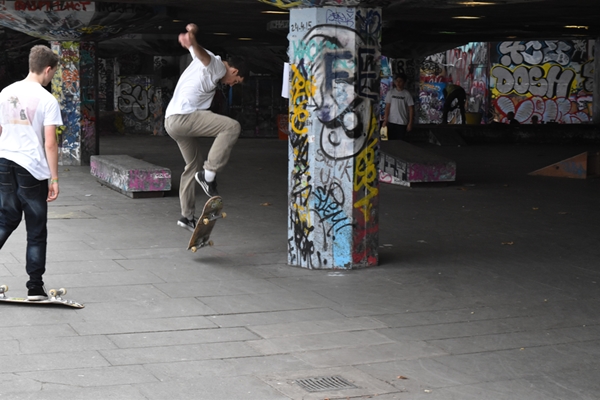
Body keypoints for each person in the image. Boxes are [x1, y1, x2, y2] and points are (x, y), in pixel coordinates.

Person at [164, 23, 248, 232]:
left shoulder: (207, 60)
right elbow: (202, 55)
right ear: (234, 70)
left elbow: (196, 50)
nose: (231, 84)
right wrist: (193, 39)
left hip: (171, 122)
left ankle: (187, 216)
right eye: (235, 81)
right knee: (231, 127)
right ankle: (208, 175)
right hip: (185, 118)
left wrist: (191, 32)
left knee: (191, 166)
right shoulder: (218, 67)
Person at [0, 45, 62, 300]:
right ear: (48, 69)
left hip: (4, 163)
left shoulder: (5, 92)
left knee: (5, 221)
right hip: (31, 170)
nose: (52, 78)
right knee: (36, 230)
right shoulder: (47, 100)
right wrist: (54, 178)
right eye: (53, 74)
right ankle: (35, 288)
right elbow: (50, 143)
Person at [382, 73, 414, 140]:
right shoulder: (390, 93)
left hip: (402, 122)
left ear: (404, 82)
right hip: (391, 121)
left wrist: (410, 123)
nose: (398, 83)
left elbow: (411, 109)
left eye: (400, 81)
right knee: (391, 142)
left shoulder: (407, 94)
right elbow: (387, 107)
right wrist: (385, 120)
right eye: (397, 81)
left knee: (400, 143)